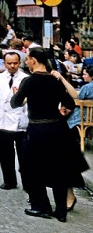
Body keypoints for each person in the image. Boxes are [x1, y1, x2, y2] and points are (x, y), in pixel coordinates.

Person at [10, 47, 76, 223]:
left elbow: (15, 103)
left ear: (33, 60)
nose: (26, 62)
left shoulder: (29, 81)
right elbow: (70, 102)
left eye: (27, 59)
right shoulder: (55, 80)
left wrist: (18, 94)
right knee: (58, 169)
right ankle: (61, 211)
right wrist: (63, 111)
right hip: (57, 128)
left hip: (38, 130)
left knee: (32, 169)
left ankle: (41, 206)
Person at [50, 67, 91, 213]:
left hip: (63, 131)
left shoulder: (62, 89)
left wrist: (61, 78)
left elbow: (73, 97)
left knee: (65, 165)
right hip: (51, 130)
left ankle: (69, 196)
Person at [0, 52, 29, 191]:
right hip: (3, 120)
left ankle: (27, 183)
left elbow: (28, 103)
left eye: (15, 63)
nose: (12, 66)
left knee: (24, 155)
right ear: (4, 63)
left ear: (20, 63)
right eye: (9, 63)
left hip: (20, 121)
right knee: (6, 154)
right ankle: (9, 180)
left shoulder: (26, 78)